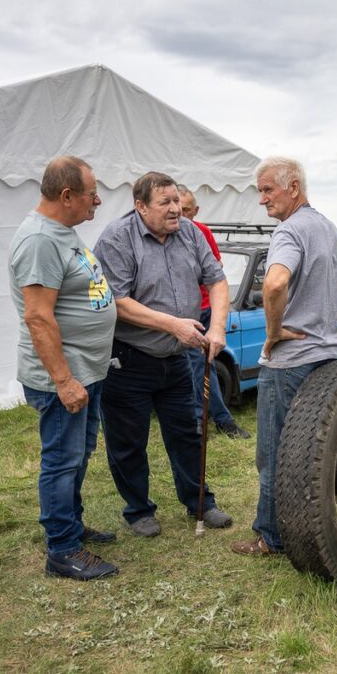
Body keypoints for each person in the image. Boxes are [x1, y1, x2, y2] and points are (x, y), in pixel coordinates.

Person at [93, 172, 232, 537]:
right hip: (128, 357)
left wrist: (216, 327)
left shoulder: (190, 232)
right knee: (128, 440)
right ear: (140, 206)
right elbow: (117, 302)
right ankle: (139, 510)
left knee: (187, 433)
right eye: (165, 203)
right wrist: (173, 324)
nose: (175, 209)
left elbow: (217, 280)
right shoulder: (117, 238)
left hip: (176, 357)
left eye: (176, 201)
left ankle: (200, 501)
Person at [232, 157, 337, 556]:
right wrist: (323, 331)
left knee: (274, 454)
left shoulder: (289, 231)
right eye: (260, 191)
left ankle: (271, 536)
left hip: (288, 364)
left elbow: (274, 284)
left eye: (268, 190)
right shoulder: (330, 230)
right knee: (312, 453)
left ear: (294, 188)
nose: (262, 199)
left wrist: (274, 333)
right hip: (328, 358)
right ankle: (307, 527)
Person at [8, 156, 119, 580]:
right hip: (63, 379)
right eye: (93, 193)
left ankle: (69, 524)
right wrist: (64, 381)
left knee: (78, 455)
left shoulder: (63, 233)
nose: (98, 200)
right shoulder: (39, 240)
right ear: (67, 195)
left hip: (85, 371)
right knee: (61, 460)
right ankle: (62, 549)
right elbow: (38, 317)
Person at [177, 184, 251, 440]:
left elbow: (215, 270)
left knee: (202, 367)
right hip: (182, 314)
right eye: (178, 209)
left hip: (205, 309)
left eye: (187, 210)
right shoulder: (164, 234)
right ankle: (214, 420)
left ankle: (205, 420)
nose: (182, 215)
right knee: (196, 368)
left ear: (195, 211)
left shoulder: (201, 232)